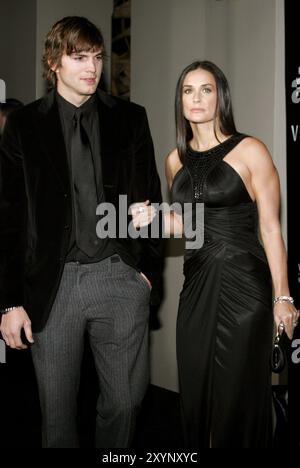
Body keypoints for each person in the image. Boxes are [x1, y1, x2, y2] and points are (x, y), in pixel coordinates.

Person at [0, 16, 163, 448]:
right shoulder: (23, 126)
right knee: (56, 416)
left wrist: (146, 272)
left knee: (127, 404)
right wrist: (10, 301)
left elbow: (150, 199)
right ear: (53, 62)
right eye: (78, 57)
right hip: (54, 284)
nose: (91, 67)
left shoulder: (130, 119)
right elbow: (9, 216)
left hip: (119, 274)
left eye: (97, 56)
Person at [132, 60, 299, 448]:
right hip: (197, 286)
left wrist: (283, 297)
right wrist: (155, 216)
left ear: (220, 96)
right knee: (196, 392)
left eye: (206, 89)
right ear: (180, 99)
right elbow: (187, 224)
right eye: (188, 90)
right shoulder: (175, 160)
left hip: (245, 287)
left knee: (236, 397)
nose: (196, 98)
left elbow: (271, 228)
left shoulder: (250, 150)